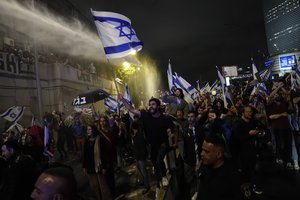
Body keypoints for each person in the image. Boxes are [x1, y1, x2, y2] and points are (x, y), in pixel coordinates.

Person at [118, 94, 174, 193]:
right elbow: (131, 109)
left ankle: (164, 176)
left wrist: (171, 136)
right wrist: (122, 100)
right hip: (152, 146)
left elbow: (171, 130)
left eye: (153, 104)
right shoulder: (145, 115)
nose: (151, 106)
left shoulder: (164, 118)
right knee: (155, 163)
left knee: (159, 160)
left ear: (158, 106)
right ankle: (159, 182)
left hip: (162, 144)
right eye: (150, 104)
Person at [196, 134, 244, 200]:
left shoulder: (233, 178)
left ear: (219, 154)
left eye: (207, 151)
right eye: (202, 150)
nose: (202, 154)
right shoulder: (205, 167)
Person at [82, 124, 113, 200]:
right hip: (90, 167)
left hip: (99, 166)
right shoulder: (86, 140)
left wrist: (104, 167)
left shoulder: (99, 140)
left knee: (103, 186)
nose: (88, 131)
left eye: (89, 129)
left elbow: (104, 154)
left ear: (94, 130)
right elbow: (85, 155)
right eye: (87, 129)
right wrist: (84, 166)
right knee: (94, 186)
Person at [131, 120, 150, 194]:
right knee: (141, 170)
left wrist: (141, 158)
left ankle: (146, 186)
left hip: (140, 157)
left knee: (143, 171)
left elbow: (142, 148)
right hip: (138, 157)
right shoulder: (136, 135)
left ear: (133, 128)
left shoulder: (139, 136)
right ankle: (144, 183)